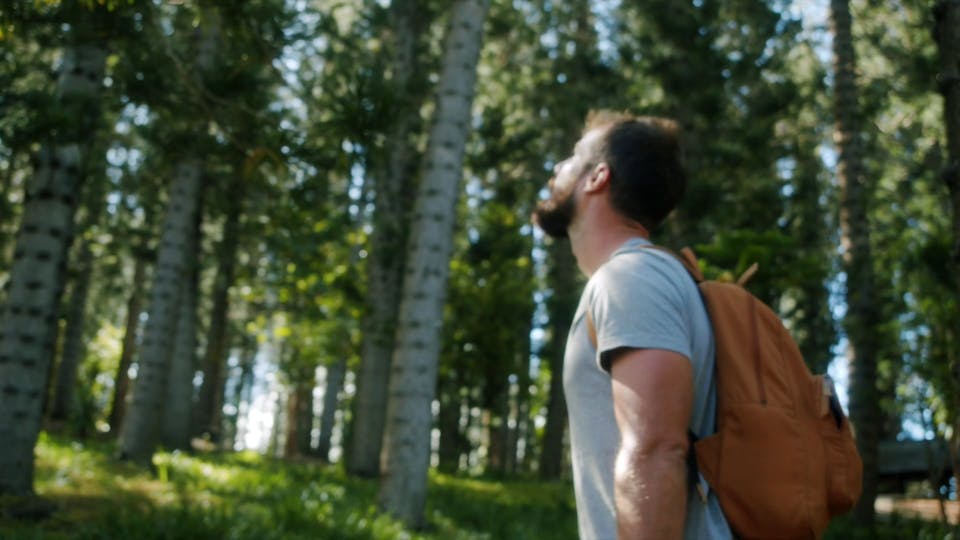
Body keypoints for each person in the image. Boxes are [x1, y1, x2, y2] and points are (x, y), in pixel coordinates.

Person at [532, 111, 732, 540]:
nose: (558, 167)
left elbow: (655, 449)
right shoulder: (639, 278)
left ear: (596, 177)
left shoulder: (631, 278)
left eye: (573, 157)